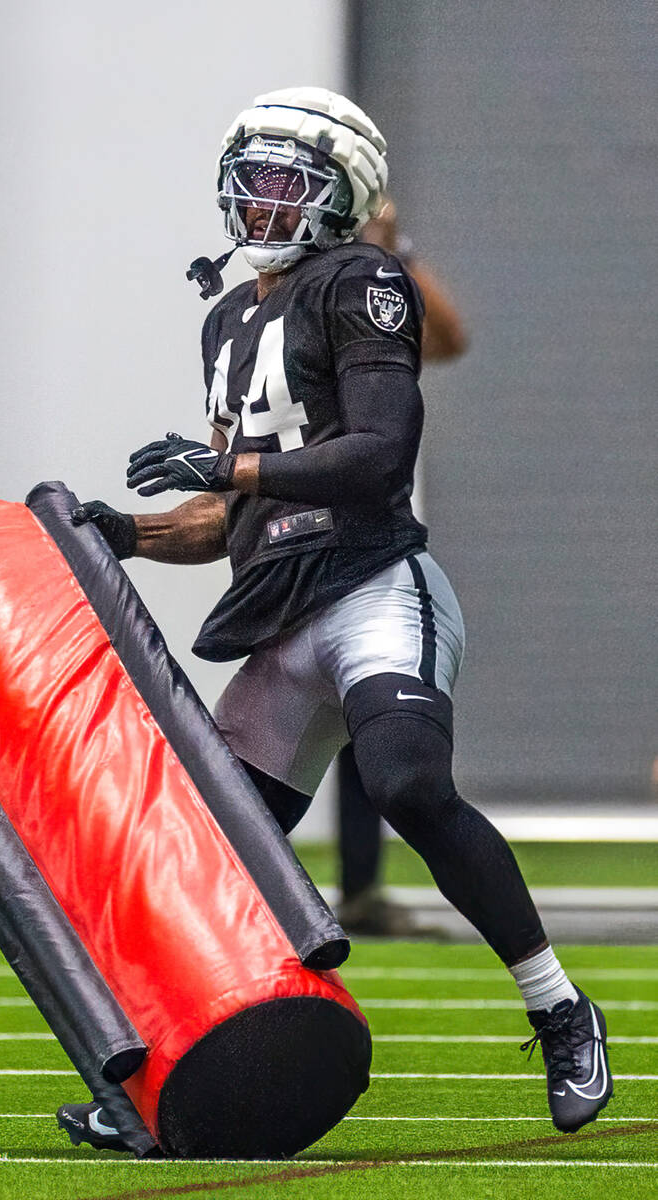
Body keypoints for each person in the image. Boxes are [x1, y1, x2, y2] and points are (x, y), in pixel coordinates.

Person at [59, 86, 612, 1152]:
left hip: (368, 584)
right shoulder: (227, 316)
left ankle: (556, 1009)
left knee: (404, 779)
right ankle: (156, 1079)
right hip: (278, 619)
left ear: (339, 191)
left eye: (283, 178)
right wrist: (125, 533)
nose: (259, 199)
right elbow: (228, 517)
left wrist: (225, 463)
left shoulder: (360, 279)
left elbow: (374, 454)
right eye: (251, 175)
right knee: (207, 862)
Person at [334, 196, 469, 937]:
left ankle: (359, 888)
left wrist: (395, 256)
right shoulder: (297, 289)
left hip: (376, 534)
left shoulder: (380, 290)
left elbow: (449, 339)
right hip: (297, 528)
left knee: (373, 720)